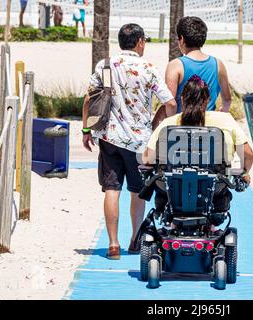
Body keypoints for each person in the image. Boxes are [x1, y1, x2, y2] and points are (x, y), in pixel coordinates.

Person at [82, 24, 177, 260]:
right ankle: (135, 240)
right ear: (140, 42)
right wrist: (157, 124)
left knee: (112, 189)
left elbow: (88, 98)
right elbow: (171, 103)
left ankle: (113, 245)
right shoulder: (148, 68)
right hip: (139, 142)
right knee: (137, 191)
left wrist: (86, 129)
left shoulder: (105, 65)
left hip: (109, 137)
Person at [143, 75, 253, 220]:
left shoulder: (168, 124)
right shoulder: (225, 120)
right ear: (207, 100)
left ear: (182, 99)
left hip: (172, 193)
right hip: (214, 192)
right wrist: (244, 172)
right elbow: (247, 154)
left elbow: (147, 159)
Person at [164, 16, 232, 116]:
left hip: (182, 125)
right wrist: (222, 113)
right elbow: (227, 99)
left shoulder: (175, 65)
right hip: (209, 125)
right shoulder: (218, 64)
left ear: (182, 39)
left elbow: (171, 103)